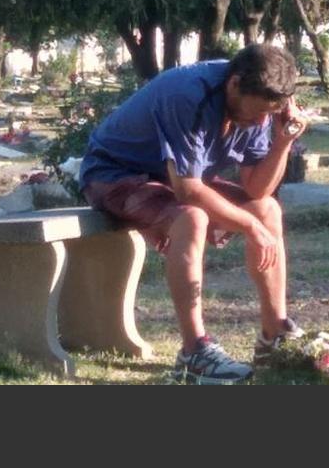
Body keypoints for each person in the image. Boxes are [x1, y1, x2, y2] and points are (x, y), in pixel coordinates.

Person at [78, 44, 307, 384]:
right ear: (234, 84)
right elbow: (187, 191)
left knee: (267, 210)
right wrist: (249, 226)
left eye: (269, 114)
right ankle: (193, 352)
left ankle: (274, 336)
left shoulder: (261, 103)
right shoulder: (189, 94)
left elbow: (259, 190)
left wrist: (283, 142)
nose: (261, 122)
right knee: (192, 217)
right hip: (114, 176)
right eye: (258, 113)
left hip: (169, 180)